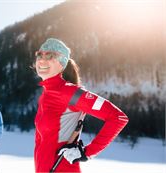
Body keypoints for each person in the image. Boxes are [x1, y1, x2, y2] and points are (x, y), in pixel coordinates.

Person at [33, 38, 129, 173]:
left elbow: (118, 118)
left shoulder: (69, 92)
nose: (42, 60)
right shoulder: (46, 94)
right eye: (39, 55)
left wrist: (87, 152)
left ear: (62, 63)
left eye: (50, 56)